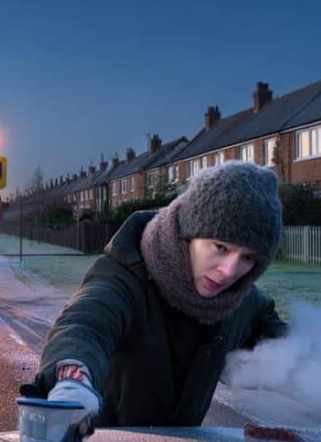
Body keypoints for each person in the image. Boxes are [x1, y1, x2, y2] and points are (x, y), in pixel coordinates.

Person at [23, 161, 288, 427]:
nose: (229, 271)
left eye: (248, 257)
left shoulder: (240, 300)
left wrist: (320, 371)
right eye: (220, 247)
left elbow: (285, 344)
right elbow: (84, 325)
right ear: (188, 233)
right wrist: (72, 382)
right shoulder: (123, 275)